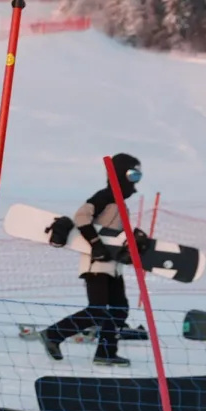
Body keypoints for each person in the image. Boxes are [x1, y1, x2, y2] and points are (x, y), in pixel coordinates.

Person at [39, 153, 149, 367]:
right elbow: (81, 216)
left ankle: (106, 352)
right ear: (119, 174)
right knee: (98, 308)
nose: (135, 182)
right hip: (96, 263)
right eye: (133, 175)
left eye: (139, 176)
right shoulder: (105, 196)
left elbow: (113, 232)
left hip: (113, 265)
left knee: (119, 309)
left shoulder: (119, 202)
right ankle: (53, 334)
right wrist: (95, 244)